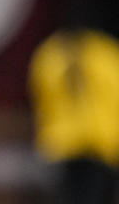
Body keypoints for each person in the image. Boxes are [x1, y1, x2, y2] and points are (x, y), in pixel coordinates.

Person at [28, 12, 119, 204]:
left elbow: (38, 96)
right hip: (99, 143)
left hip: (61, 143)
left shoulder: (49, 53)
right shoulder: (106, 53)